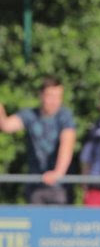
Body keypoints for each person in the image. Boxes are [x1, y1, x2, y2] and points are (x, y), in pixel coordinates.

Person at [0, 76, 76, 204]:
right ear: (41, 95)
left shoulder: (65, 116)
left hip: (60, 187)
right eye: (50, 96)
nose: (54, 101)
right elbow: (6, 125)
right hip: (36, 184)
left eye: (58, 97)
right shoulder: (30, 115)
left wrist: (58, 172)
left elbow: (67, 145)